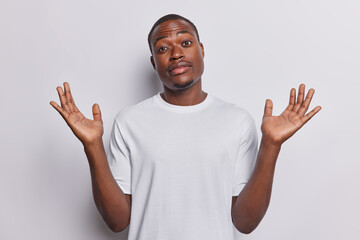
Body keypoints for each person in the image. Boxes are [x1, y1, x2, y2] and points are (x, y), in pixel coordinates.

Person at [50, 14, 321, 240]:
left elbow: (245, 223)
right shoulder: (129, 121)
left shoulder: (236, 120)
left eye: (186, 42)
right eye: (163, 48)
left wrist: (271, 145)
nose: (176, 53)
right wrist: (92, 146)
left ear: (201, 50)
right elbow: (118, 221)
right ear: (153, 62)